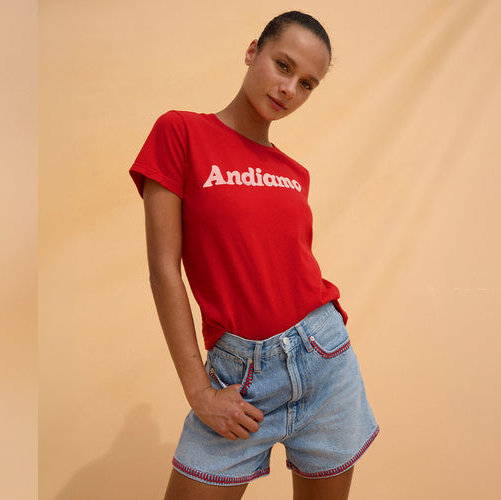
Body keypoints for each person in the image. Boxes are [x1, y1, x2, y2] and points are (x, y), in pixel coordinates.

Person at [129, 11, 378, 500]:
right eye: (282, 65)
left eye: (307, 83)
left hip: (325, 360)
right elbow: (164, 271)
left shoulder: (295, 173)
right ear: (252, 52)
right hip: (242, 377)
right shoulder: (180, 133)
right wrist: (199, 392)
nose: (290, 89)